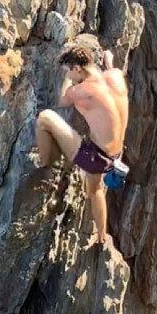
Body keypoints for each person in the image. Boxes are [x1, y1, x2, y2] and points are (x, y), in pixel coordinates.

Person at [36, 44, 129, 245]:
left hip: (96, 157)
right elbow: (110, 66)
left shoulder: (81, 91)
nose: (69, 77)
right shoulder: (115, 76)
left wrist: (65, 81)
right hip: (116, 154)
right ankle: (102, 236)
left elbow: (61, 101)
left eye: (69, 72)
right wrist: (108, 60)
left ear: (77, 68)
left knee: (44, 118)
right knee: (95, 190)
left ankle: (42, 160)